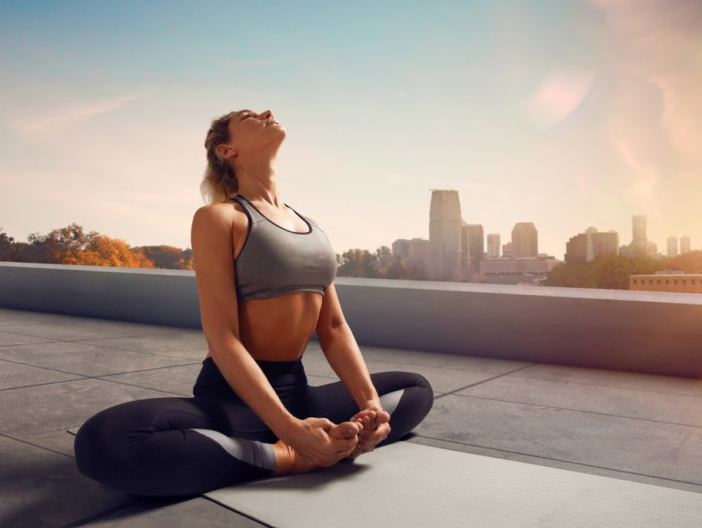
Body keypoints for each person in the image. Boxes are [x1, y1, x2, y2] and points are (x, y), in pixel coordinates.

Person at [74, 109, 433, 496]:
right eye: (249, 116)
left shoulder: (311, 227)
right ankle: (292, 457)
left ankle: (305, 445)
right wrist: (291, 431)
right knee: (107, 441)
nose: (267, 114)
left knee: (415, 389)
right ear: (227, 150)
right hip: (235, 399)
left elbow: (332, 328)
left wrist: (370, 410)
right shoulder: (219, 218)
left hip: (298, 392)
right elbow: (223, 336)